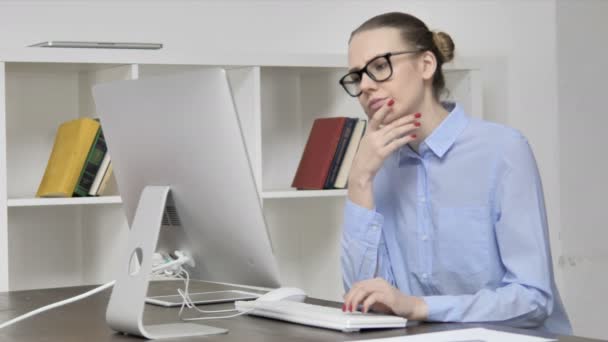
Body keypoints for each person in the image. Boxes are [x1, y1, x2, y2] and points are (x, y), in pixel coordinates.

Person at [339, 12, 572, 335]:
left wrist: (420, 307)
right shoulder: (377, 166)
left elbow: (533, 298)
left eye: (379, 66)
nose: (365, 85)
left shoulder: (503, 151)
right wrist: (359, 181)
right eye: (356, 76)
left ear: (426, 65)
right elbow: (365, 298)